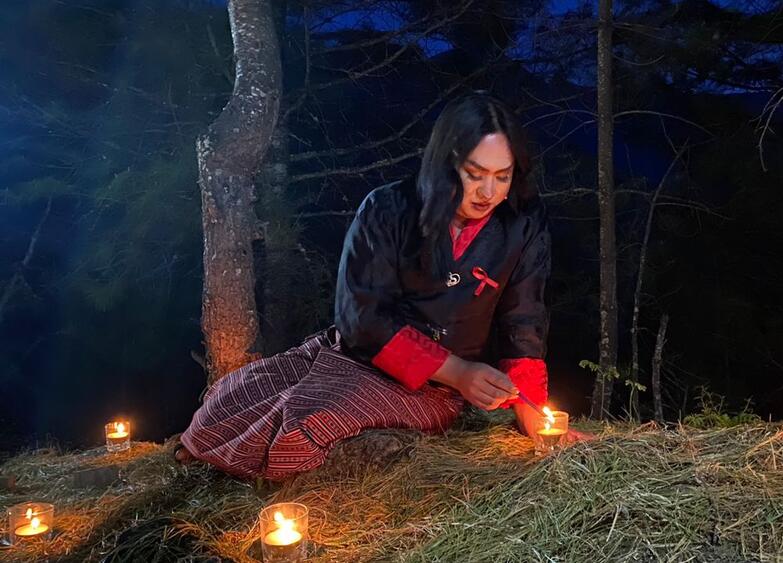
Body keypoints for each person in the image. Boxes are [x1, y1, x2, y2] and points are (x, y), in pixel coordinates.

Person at [176, 92, 585, 480]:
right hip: (369, 352)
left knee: (304, 428)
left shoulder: (522, 222)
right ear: (446, 164)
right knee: (228, 399)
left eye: (503, 176)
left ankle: (242, 461)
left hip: (435, 387)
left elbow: (524, 321)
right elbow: (361, 317)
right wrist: (458, 371)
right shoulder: (388, 208)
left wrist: (533, 414)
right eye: (474, 175)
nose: (489, 192)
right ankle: (206, 451)